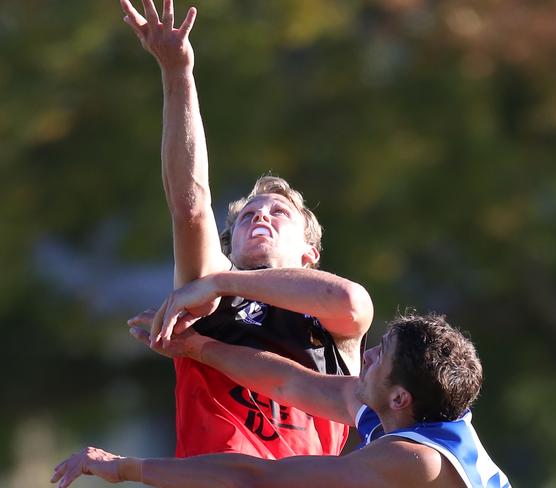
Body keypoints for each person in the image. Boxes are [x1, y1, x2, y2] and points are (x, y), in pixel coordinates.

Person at [118, 0, 373, 459]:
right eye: (248, 215)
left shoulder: (331, 321)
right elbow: (191, 204)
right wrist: (178, 73)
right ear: (229, 243)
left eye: (279, 213)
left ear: (308, 254)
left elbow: (350, 303)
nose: (260, 217)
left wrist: (222, 279)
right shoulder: (209, 294)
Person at [52, 312, 511, 488]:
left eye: (380, 354)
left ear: (400, 396)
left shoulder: (413, 459)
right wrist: (194, 348)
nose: (366, 354)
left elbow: (255, 478)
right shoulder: (402, 411)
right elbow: (290, 383)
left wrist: (124, 467)